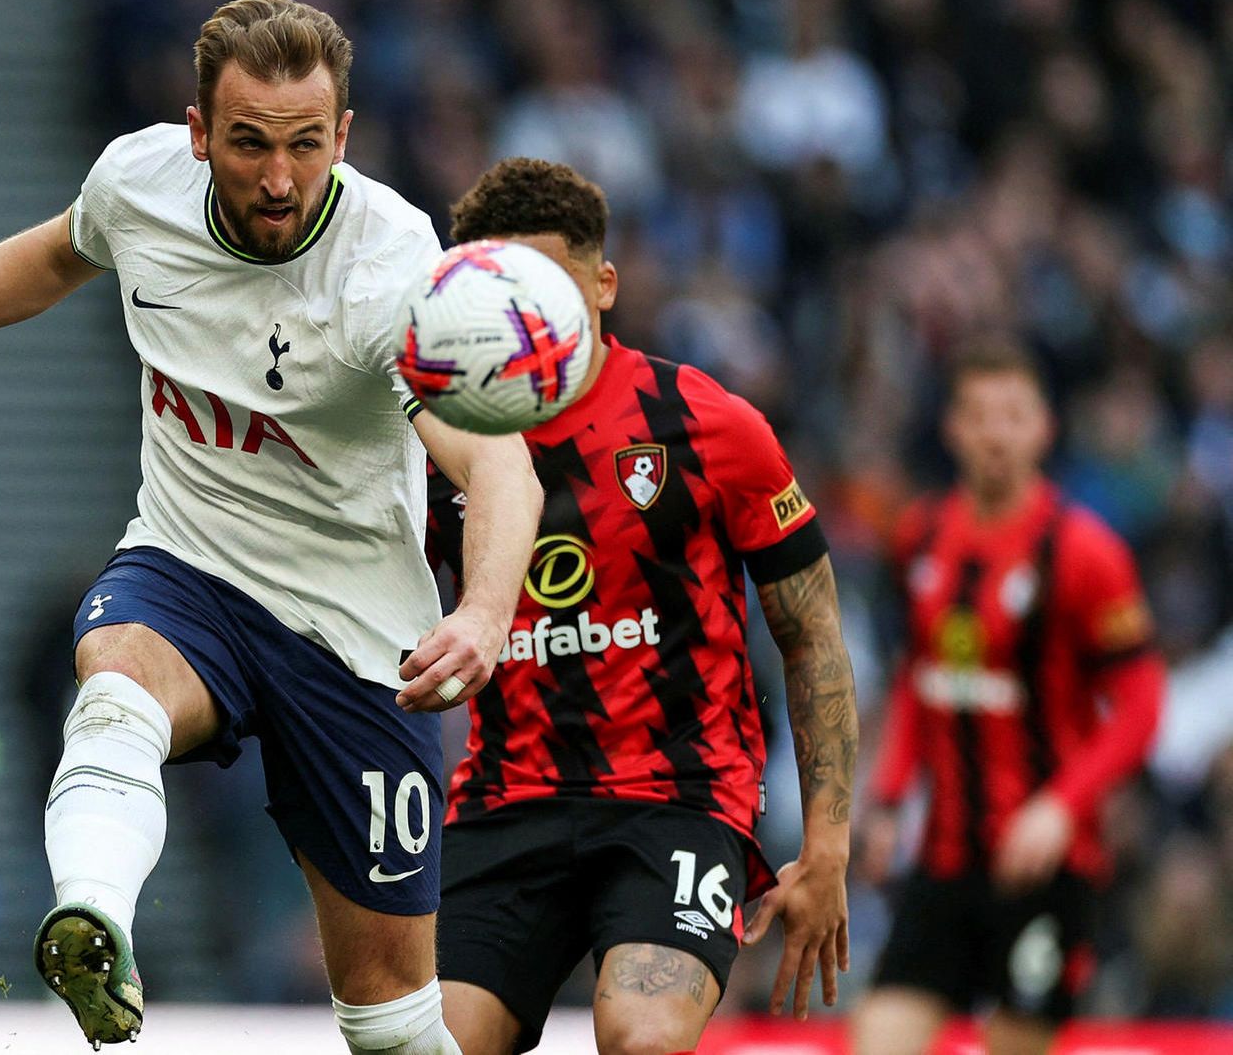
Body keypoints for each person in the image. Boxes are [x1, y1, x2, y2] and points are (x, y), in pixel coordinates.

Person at [0, 0, 541, 1054]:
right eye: (250, 144)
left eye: (306, 145)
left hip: (358, 633)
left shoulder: (391, 268)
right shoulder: (140, 183)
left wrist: (487, 610)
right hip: (190, 564)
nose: (279, 178)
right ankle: (93, 923)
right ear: (196, 132)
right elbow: (49, 257)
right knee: (114, 686)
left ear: (344, 137)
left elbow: (496, 459)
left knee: (392, 1026)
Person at [424, 158, 858, 1055]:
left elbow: (810, 631)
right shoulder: (434, 445)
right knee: (428, 1045)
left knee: (643, 1034)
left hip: (678, 800)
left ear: (605, 284)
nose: (528, 318)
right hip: (508, 797)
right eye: (505, 293)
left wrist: (829, 844)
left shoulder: (706, 424)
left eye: (550, 288)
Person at [854, 343, 1166, 1055]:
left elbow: (1143, 698)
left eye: (1014, 416)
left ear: (1044, 428)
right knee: (876, 1042)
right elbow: (917, 679)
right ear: (952, 428)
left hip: (1048, 869)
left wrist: (1063, 804)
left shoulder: (1085, 553)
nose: (996, 433)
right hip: (944, 860)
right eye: (980, 415)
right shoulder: (921, 536)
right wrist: (890, 798)